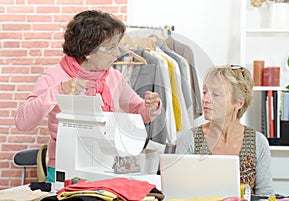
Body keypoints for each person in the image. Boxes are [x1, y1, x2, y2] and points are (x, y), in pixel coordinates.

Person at [14, 10, 161, 182]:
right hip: (64, 169)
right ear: (88, 51)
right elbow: (22, 122)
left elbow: (139, 110)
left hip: (106, 168)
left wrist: (150, 106)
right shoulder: (54, 77)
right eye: (112, 48)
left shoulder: (114, 77)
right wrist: (57, 91)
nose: (116, 54)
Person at [176, 65, 273, 196]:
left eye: (215, 94)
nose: (205, 99)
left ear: (238, 103)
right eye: (205, 92)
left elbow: (265, 195)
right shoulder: (189, 139)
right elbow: (178, 193)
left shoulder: (258, 142)